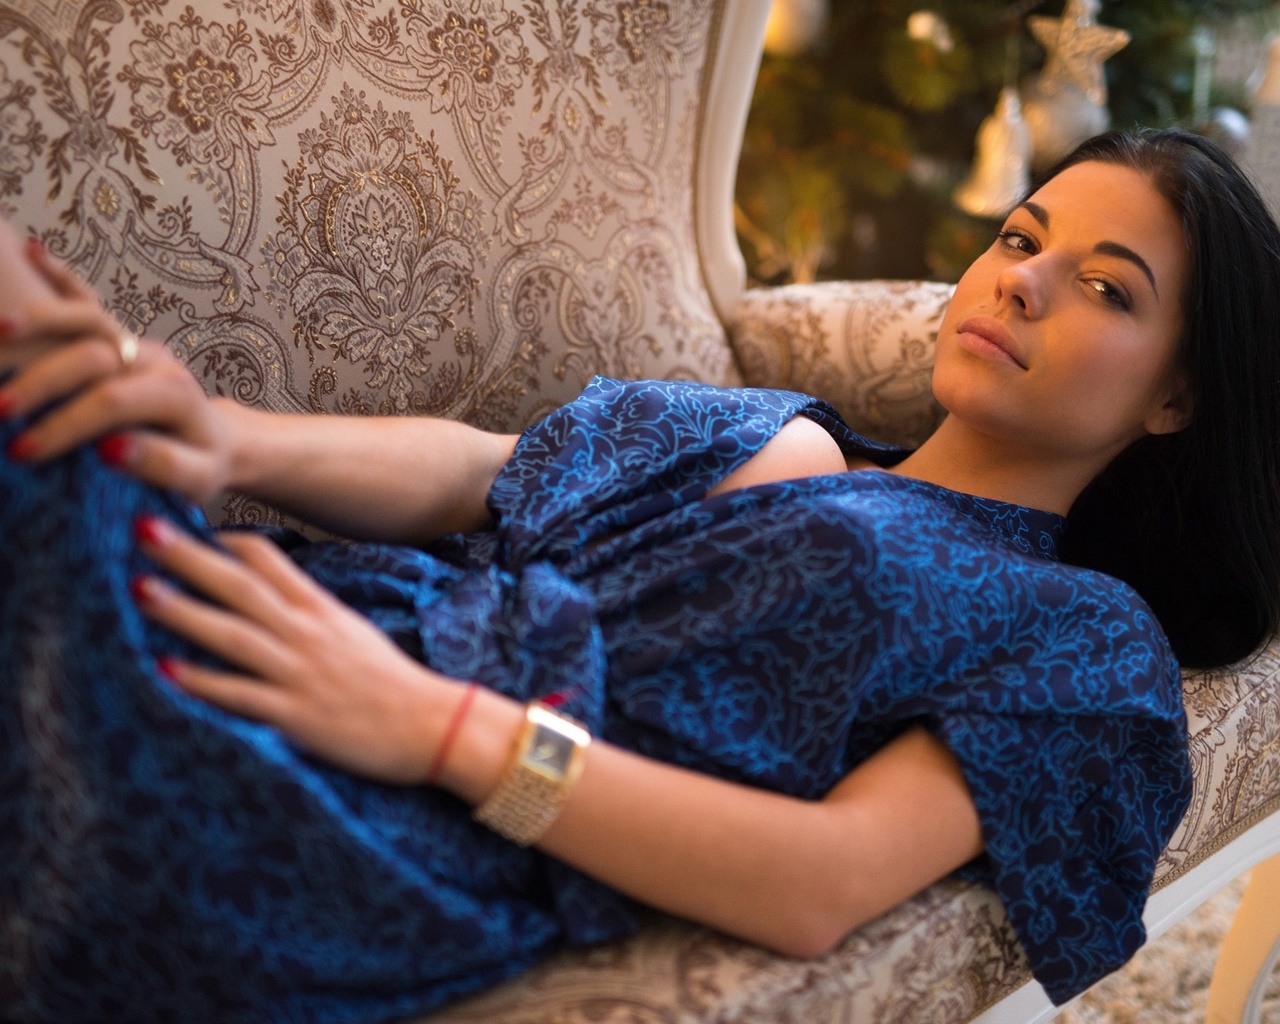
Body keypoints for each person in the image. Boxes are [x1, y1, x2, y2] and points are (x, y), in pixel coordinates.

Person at [0, 127, 1276, 1023]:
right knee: (56, 377)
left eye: (1105, 287)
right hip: (328, 619)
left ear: (1174, 395)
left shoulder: (1080, 632)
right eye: (1018, 235)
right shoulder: (779, 435)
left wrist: (441, 731)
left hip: (407, 816)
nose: (1022, 280)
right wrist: (219, 434)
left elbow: (818, 881)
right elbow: (475, 476)